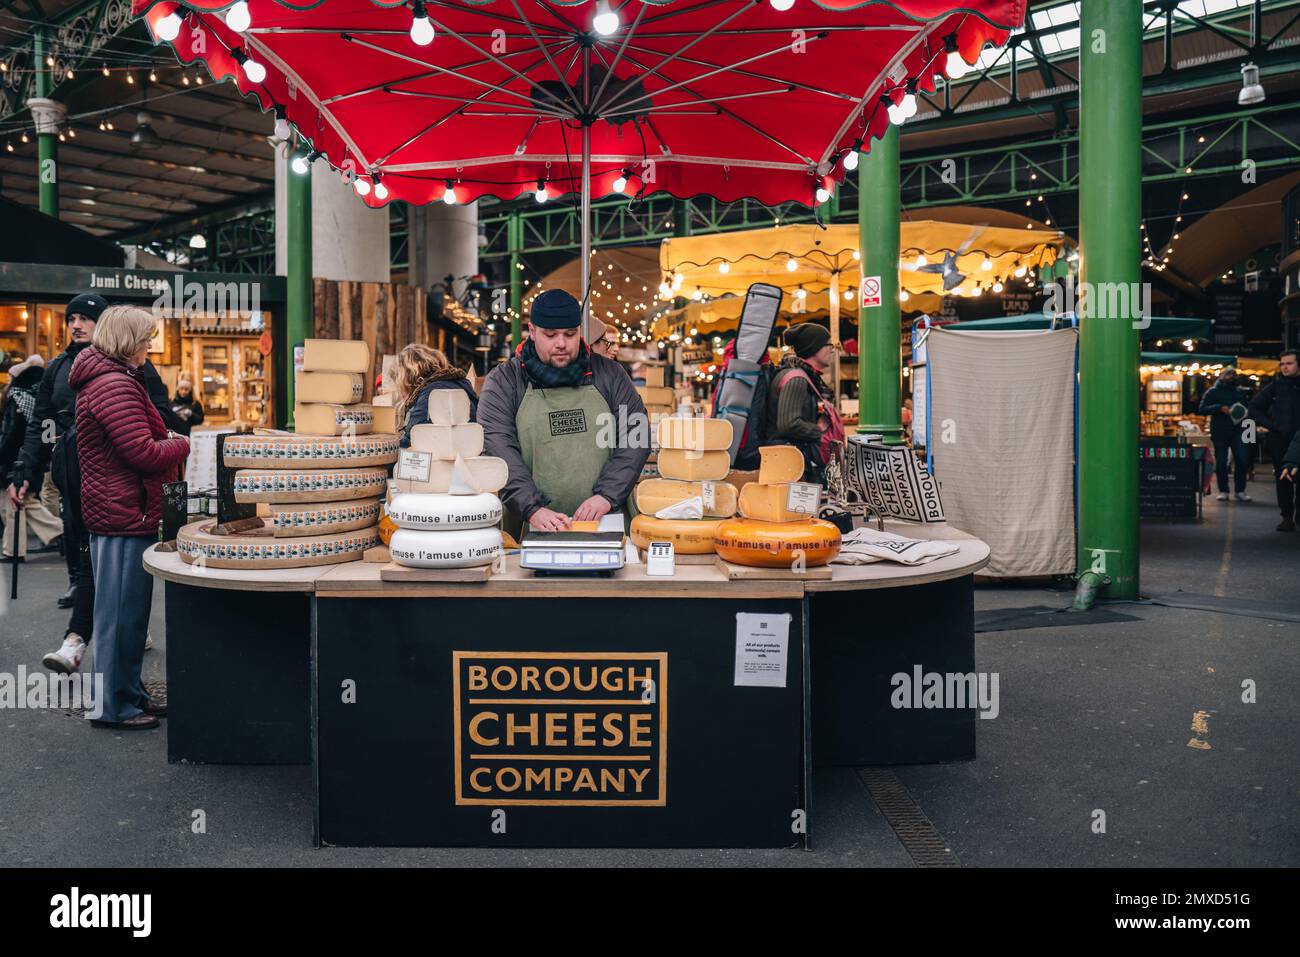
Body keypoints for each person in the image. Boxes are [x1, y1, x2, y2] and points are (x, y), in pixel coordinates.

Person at [5, 294, 176, 672]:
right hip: (72, 476)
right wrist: (24, 471)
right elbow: (40, 424)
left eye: (86, 317)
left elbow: (160, 420)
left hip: (117, 480)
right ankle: (113, 634)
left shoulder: (138, 368)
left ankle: (77, 639)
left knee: (94, 561)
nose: (76, 324)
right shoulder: (59, 368)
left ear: (106, 326)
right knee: (86, 556)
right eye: (72, 318)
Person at [70, 306, 189, 730]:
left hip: (122, 510)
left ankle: (129, 695)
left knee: (130, 617)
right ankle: (112, 706)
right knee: (120, 617)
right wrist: (179, 443)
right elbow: (143, 452)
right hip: (122, 513)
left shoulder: (113, 380)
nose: (149, 345)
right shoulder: (113, 385)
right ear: (127, 340)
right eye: (145, 337)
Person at [478, 289, 648, 533]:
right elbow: (497, 446)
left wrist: (607, 495)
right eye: (550, 335)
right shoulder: (505, 381)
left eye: (570, 334)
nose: (561, 343)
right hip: (529, 527)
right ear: (532, 331)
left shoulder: (610, 374)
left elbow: (636, 435)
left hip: (605, 524)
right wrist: (532, 508)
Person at [1, 354, 64, 560]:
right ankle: (15, 547)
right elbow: (46, 433)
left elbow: (12, 434)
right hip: (33, 456)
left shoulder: (17, 399)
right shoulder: (40, 398)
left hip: (19, 459)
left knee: (17, 502)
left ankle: (58, 531)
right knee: (21, 502)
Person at [766, 322, 845, 483]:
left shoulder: (802, 376)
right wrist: (821, 433)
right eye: (828, 344)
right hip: (789, 465)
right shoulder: (796, 379)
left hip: (793, 461)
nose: (832, 349)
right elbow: (788, 424)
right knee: (797, 508)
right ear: (813, 347)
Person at [1247, 349, 1299, 532]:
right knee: (1283, 477)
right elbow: (1254, 407)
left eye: (1289, 363)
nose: (1285, 367)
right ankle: (1287, 516)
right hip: (1281, 440)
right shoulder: (1276, 386)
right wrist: (1272, 425)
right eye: (1283, 364)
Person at [390, 343, 478, 447]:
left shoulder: (431, 392)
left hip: (443, 459)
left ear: (407, 375)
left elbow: (414, 437)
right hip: (465, 452)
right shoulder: (457, 383)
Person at [1198, 368, 1252, 502]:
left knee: (1242, 459)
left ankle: (1240, 490)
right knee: (1221, 461)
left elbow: (1249, 408)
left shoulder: (1240, 392)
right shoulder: (1213, 391)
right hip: (1220, 431)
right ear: (1221, 376)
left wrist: (1246, 413)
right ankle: (1223, 490)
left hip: (1239, 430)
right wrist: (1219, 408)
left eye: (1234, 374)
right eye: (1228, 374)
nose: (1232, 376)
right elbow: (1202, 409)